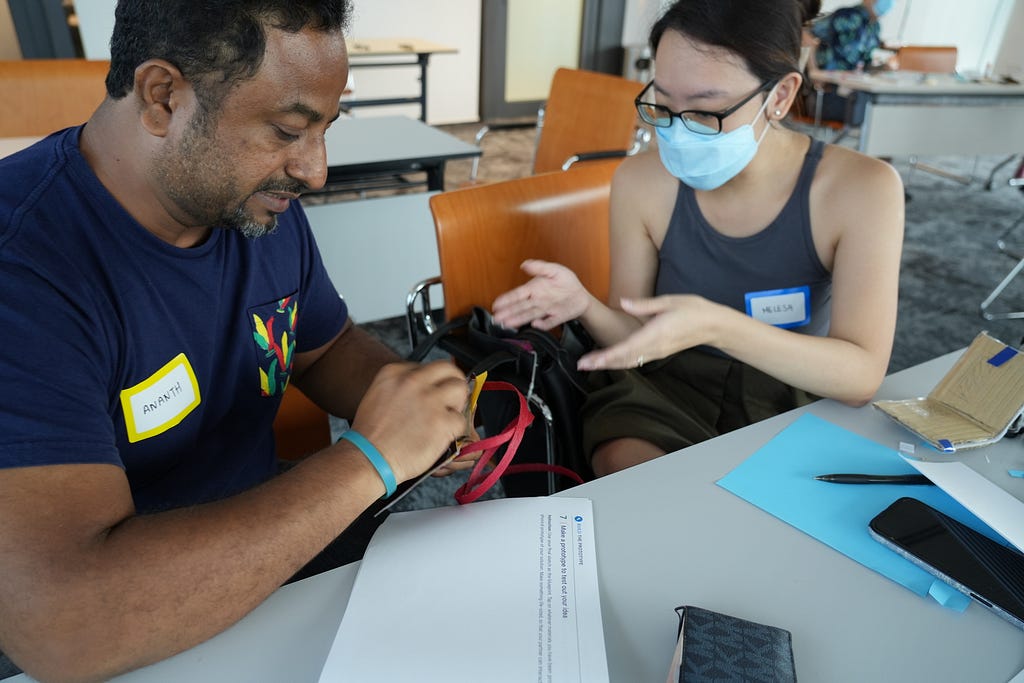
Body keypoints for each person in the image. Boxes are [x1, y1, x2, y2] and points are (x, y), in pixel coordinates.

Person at [0, 1, 474, 681]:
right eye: (287, 131)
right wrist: (372, 457)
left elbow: (325, 343)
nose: (314, 171)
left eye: (325, 130)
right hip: (125, 632)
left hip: (276, 563)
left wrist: (408, 397)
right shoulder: (29, 268)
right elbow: (66, 626)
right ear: (163, 96)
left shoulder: (255, 209)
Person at [492, 0, 904, 476]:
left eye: (707, 112)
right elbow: (635, 338)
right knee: (632, 475)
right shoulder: (642, 181)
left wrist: (717, 326)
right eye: (663, 105)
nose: (678, 132)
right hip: (666, 386)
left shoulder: (859, 189)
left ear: (781, 96)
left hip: (791, 390)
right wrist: (583, 305)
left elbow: (860, 376)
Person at [804, 0, 896, 125]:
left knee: (881, 109)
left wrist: (883, 67)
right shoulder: (847, 16)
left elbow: (865, 65)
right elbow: (805, 35)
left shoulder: (875, 27)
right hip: (828, 92)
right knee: (874, 114)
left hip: (853, 90)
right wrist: (814, 70)